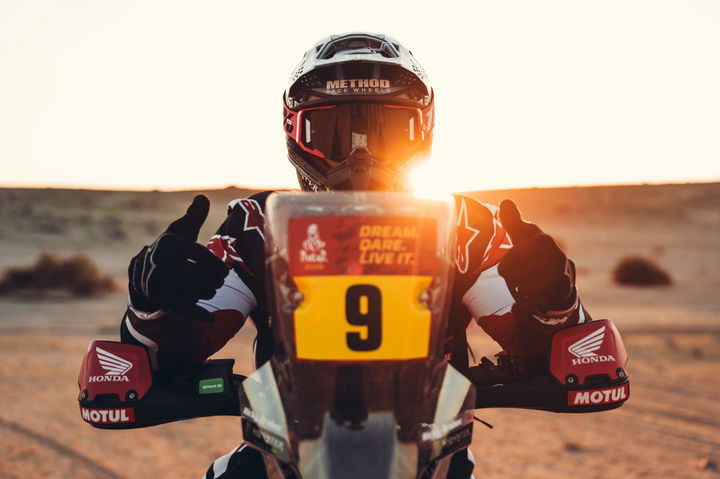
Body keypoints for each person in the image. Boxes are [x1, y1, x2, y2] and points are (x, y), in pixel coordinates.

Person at [121, 33, 589, 479]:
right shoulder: (256, 224)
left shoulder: (466, 225)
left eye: (389, 133)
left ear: (423, 131)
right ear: (294, 131)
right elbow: (177, 345)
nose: (360, 159)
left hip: (430, 453)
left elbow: (547, 346)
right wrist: (154, 301)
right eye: (333, 134)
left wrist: (551, 299)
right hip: (286, 452)